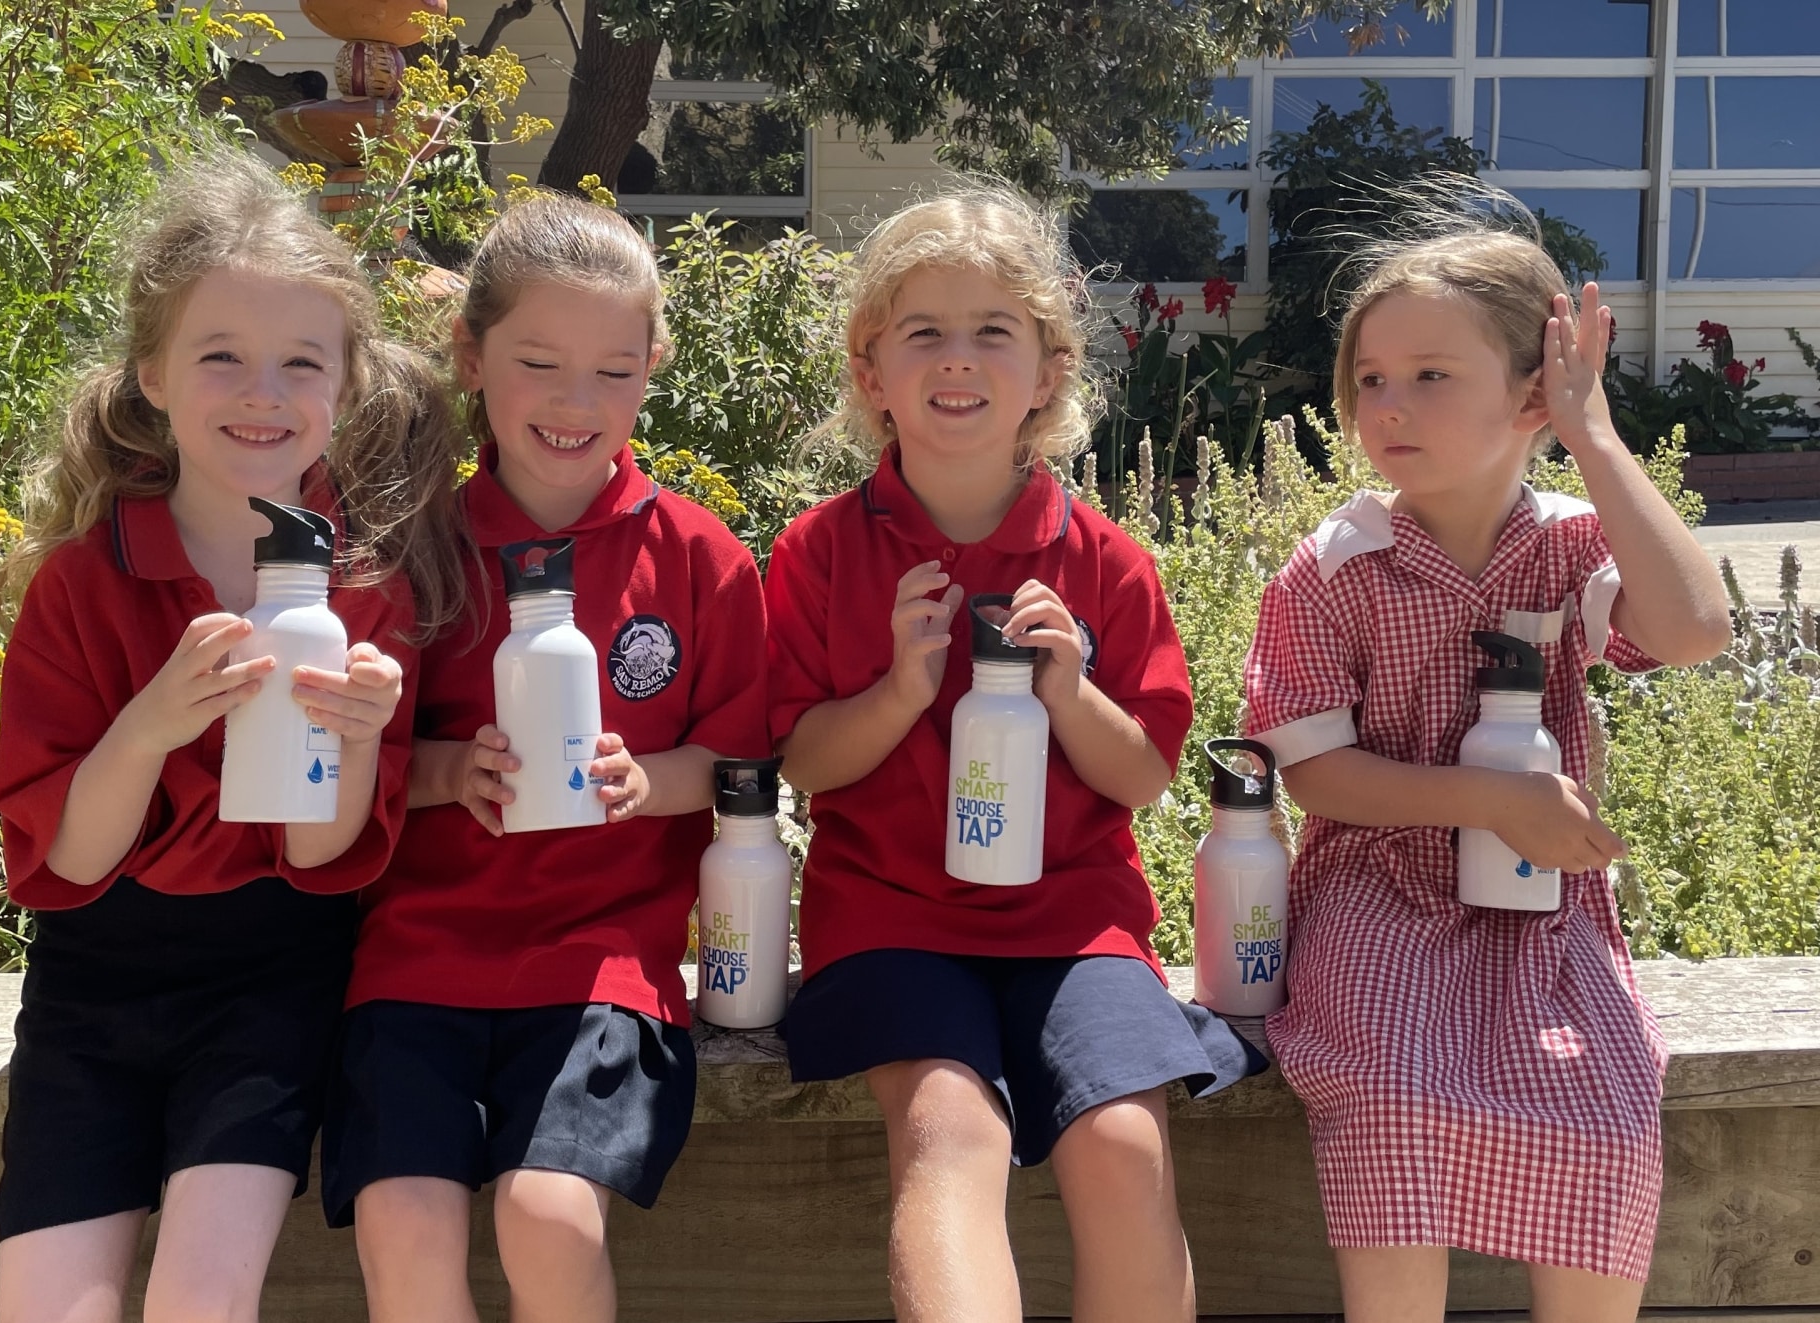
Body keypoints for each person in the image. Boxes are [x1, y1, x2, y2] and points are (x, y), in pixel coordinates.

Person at [764, 184, 1263, 1323]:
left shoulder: (1107, 562)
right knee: (948, 1125)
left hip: (1072, 918)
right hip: (888, 912)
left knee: (1123, 1139)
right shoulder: (820, 553)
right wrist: (898, 691)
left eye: (994, 330)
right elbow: (802, 763)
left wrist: (1069, 690)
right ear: (870, 373)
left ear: (1047, 372)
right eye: (923, 332)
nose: (958, 357)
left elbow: (1143, 776)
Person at [0, 149, 468, 1323]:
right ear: (152, 375)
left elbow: (317, 858)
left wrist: (357, 739)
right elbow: (68, 862)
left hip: (273, 983)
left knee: (201, 1302)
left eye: (300, 362)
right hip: (91, 985)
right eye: (220, 357)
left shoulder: (363, 595)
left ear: (345, 387)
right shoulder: (83, 583)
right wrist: (150, 723)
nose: (263, 393)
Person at [1242, 191, 1731, 1322]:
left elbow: (1694, 630)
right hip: (1377, 893)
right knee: (1389, 1091)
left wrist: (1594, 438)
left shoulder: (1567, 545)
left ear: (1529, 397)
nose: (1388, 404)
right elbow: (1316, 774)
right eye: (1370, 378)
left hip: (1541, 906)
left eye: (1430, 375)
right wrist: (1491, 797)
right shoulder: (1335, 568)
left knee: (1606, 1105)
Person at [320, 192, 769, 1323]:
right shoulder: (415, 545)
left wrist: (647, 784)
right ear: (471, 357)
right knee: (401, 1223)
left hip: (602, 965)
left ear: (652, 368)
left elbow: (739, 761)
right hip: (416, 959)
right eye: (539, 365)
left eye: (613, 371)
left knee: (549, 1216)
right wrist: (446, 771)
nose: (576, 404)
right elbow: (355, 751)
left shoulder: (699, 557)